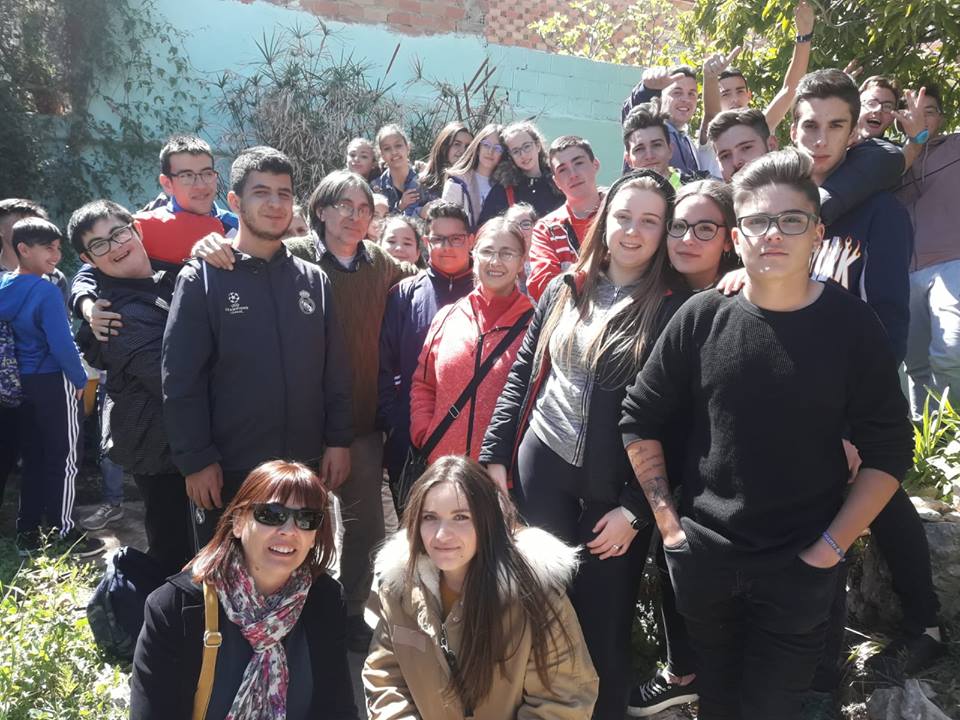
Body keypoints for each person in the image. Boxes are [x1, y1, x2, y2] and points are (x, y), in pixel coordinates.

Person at [620, 148, 914, 719]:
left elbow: (889, 450)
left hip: (800, 569)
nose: (773, 233)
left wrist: (830, 550)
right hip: (704, 563)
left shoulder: (852, 327)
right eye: (757, 221)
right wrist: (670, 529)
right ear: (738, 237)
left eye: (791, 220)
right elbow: (640, 416)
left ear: (817, 233)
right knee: (718, 705)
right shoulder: (701, 316)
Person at [480, 170, 687, 718]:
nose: (633, 231)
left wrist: (637, 510)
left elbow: (682, 424)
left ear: (665, 230)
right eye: (623, 216)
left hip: (615, 493)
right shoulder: (564, 286)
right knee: (536, 612)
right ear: (603, 219)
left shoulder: (676, 306)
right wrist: (495, 456)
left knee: (602, 627)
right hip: (540, 471)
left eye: (650, 221)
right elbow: (525, 374)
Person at [193, 167, 418, 652]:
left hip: (356, 422)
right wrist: (207, 245)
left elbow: (433, 278)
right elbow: (240, 252)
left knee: (362, 526)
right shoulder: (292, 256)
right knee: (284, 521)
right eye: (344, 206)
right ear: (319, 210)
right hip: (293, 425)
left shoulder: (381, 262)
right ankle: (265, 613)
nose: (354, 217)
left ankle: (349, 610)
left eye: (364, 209)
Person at [162, 147, 353, 556]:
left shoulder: (314, 281)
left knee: (296, 571)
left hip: (301, 468)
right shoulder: (203, 278)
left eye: (284, 194)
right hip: (229, 470)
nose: (275, 204)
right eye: (261, 192)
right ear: (235, 202)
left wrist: (338, 440)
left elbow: (335, 370)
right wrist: (196, 460)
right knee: (224, 577)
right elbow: (180, 379)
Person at [363, 455, 598, 719]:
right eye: (430, 517)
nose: (441, 534)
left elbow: (564, 701)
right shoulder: (398, 587)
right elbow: (385, 676)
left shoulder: (536, 596)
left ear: (488, 521)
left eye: (460, 517)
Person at [627, 180, 738, 716]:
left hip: (721, 456)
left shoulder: (746, 289)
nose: (687, 239)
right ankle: (682, 670)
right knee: (671, 556)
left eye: (705, 228)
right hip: (658, 449)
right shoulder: (655, 289)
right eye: (678, 227)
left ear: (730, 237)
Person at [130, 460, 357, 719]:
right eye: (271, 514)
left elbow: (337, 709)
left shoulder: (325, 599)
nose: (289, 531)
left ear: (315, 536)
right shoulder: (174, 607)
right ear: (238, 522)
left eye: (306, 519)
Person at [68, 199, 192, 575]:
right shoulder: (115, 314)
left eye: (118, 233)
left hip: (186, 441)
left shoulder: (167, 276)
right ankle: (167, 609)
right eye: (99, 244)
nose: (115, 246)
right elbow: (169, 381)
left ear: (136, 230)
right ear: (88, 258)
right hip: (160, 450)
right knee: (176, 552)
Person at [71, 134, 239, 342]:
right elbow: (89, 271)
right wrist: (88, 307)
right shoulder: (142, 225)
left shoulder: (233, 226)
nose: (200, 185)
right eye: (187, 176)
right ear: (167, 183)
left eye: (207, 173)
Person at [0, 218, 103, 557]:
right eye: (48, 248)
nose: (56, 255)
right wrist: (79, 378)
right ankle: (65, 532)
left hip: (22, 383)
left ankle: (27, 533)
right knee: (65, 458)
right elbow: (61, 342)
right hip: (54, 380)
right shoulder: (44, 289)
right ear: (23, 249)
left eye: (58, 248)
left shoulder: (5, 285)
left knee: (34, 458)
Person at [409, 217, 533, 463]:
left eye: (507, 253)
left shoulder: (535, 327)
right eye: (487, 251)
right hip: (445, 469)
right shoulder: (447, 317)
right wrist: (424, 433)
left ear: (521, 262)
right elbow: (424, 384)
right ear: (473, 254)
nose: (495, 261)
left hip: (503, 474)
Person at [377, 202, 475, 495]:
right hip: (411, 440)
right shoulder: (405, 293)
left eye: (456, 238)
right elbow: (384, 365)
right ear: (426, 242)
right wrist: (395, 424)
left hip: (475, 438)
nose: (447, 247)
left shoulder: (487, 291)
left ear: (470, 240)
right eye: (438, 239)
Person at [0, 198, 69, 507]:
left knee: (40, 457)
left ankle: (38, 523)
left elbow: (60, 333)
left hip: (37, 382)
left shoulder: (54, 278)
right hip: (6, 388)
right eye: (19, 222)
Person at [898, 86, 960, 419]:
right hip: (905, 273)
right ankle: (928, 437)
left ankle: (954, 427)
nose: (921, 118)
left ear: (943, 118)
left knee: (951, 352)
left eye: (930, 111)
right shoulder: (891, 158)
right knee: (916, 363)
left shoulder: (956, 146)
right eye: (913, 112)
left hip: (952, 264)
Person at [715, 0, 816, 132]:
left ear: (749, 96)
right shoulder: (707, 138)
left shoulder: (759, 129)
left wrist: (804, 36)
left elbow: (790, 89)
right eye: (726, 94)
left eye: (740, 91)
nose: (735, 99)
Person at [525, 136, 603, 301]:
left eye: (578, 163)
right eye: (562, 170)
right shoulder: (546, 229)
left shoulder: (621, 213)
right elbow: (543, 287)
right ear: (556, 182)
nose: (573, 174)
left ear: (595, 165)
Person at [477, 121, 564, 226]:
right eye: (516, 151)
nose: (523, 155)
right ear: (510, 156)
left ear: (538, 146)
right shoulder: (503, 189)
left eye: (526, 146)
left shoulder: (559, 183)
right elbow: (484, 228)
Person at [623, 101, 710, 187]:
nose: (649, 156)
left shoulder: (699, 189)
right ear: (628, 159)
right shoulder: (620, 195)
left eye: (656, 145)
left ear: (670, 150)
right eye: (639, 149)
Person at [441, 124, 504, 230]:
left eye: (497, 148)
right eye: (486, 145)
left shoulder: (507, 186)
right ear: (478, 148)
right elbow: (446, 225)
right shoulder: (457, 183)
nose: (490, 151)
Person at [371, 124, 425, 218]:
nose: (394, 152)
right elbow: (378, 222)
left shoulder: (423, 178)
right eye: (387, 148)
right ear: (382, 154)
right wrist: (400, 207)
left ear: (407, 147)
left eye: (398, 146)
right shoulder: (377, 188)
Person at [418, 121, 474, 205]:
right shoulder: (423, 184)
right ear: (443, 147)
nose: (463, 151)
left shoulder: (475, 183)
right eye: (457, 144)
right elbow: (409, 211)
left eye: (468, 146)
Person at [504, 202, 538, 295]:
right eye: (513, 225)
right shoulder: (502, 262)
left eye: (525, 224)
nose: (520, 230)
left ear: (535, 225)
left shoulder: (545, 259)